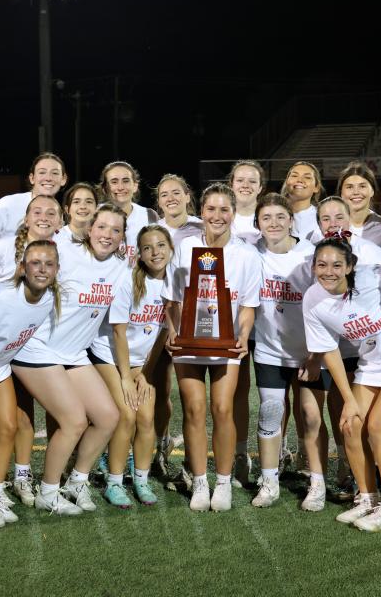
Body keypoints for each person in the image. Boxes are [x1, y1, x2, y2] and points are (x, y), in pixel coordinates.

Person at [12, 205, 129, 514]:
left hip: (74, 353)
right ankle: (48, 492)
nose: (107, 235)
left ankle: (77, 482)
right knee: (74, 421)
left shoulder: (121, 265)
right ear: (89, 229)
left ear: (123, 238)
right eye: (101, 227)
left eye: (115, 230)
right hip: (38, 349)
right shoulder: (65, 250)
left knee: (108, 417)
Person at [302, 238, 381, 532]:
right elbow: (329, 351)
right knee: (350, 425)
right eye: (321, 264)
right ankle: (368, 499)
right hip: (370, 366)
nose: (328, 271)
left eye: (336, 265)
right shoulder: (313, 299)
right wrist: (349, 399)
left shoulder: (374, 276)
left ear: (350, 266)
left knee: (378, 428)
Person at [165, 183, 261, 512]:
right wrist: (174, 331)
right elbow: (172, 298)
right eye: (211, 209)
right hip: (189, 342)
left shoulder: (247, 254)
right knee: (193, 410)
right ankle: (200, 481)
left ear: (234, 213)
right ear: (201, 211)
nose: (217, 216)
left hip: (226, 342)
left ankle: (223, 481)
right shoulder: (184, 248)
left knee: (222, 409)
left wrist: (243, 335)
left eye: (224, 210)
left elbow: (248, 306)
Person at [0, 240, 60, 527]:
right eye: (35, 263)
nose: (42, 269)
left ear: (57, 269)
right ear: (21, 268)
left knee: (8, 427)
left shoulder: (49, 299)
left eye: (49, 264)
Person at [0, 194, 62, 507]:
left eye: (51, 213)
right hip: (2, 346)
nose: (43, 217)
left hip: (41, 344)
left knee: (28, 417)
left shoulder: (64, 250)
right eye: (37, 212)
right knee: (9, 420)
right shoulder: (4, 248)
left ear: (60, 222)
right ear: (26, 218)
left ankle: (20, 475)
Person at [91, 225, 173, 507]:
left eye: (161, 245)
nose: (155, 252)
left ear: (171, 248)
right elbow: (118, 333)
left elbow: (163, 333)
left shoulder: (174, 283)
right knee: (127, 414)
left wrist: (146, 376)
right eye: (148, 248)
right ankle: (114, 483)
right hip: (110, 357)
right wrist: (127, 378)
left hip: (140, 363)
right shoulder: (129, 281)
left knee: (147, 418)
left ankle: (141, 479)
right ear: (139, 254)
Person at [250, 194, 319, 509]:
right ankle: (269, 480)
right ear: (258, 224)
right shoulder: (252, 254)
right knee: (270, 413)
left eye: (280, 216)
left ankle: (316, 482)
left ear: (292, 219)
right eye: (266, 218)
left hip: (309, 353)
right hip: (269, 351)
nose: (274, 223)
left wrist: (317, 352)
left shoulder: (310, 255)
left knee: (310, 416)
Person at [151, 174, 203, 476]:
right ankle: (159, 446)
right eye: (163, 194)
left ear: (187, 196)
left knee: (191, 394)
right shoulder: (151, 231)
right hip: (156, 320)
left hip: (194, 321)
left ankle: (190, 462)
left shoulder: (201, 227)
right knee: (159, 389)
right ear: (158, 202)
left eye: (176, 192)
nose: (170, 198)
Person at [226, 160, 267, 487]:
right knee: (237, 392)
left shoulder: (269, 218)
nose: (245, 184)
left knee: (272, 394)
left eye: (252, 180)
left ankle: (278, 454)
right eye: (240, 179)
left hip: (268, 321)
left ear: (261, 186)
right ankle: (240, 453)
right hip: (230, 320)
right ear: (231, 182)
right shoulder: (217, 215)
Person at [0, 152, 68, 242]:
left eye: (55, 173)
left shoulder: (64, 214)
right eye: (42, 172)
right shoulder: (7, 204)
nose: (48, 178)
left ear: (63, 179)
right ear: (32, 178)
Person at [97, 160, 158, 261]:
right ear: (105, 189)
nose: (120, 187)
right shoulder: (94, 214)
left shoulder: (149, 215)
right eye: (114, 182)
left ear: (135, 186)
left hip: (137, 276)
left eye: (126, 181)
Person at [336, 161, 381, 247]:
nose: (356, 192)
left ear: (372, 191)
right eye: (349, 187)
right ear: (341, 193)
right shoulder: (331, 225)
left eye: (362, 186)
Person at [281, 161, 325, 241]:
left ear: (316, 187)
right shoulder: (273, 213)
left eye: (307, 177)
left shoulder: (323, 216)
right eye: (294, 176)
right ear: (287, 182)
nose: (300, 180)